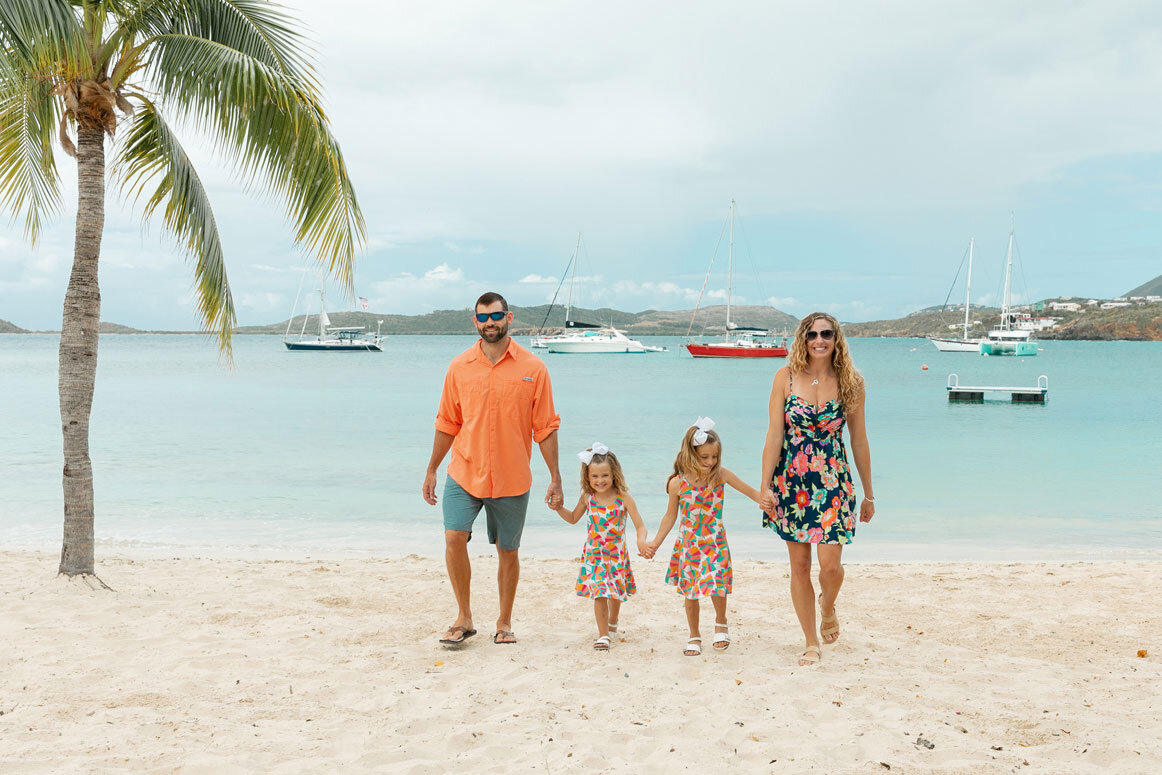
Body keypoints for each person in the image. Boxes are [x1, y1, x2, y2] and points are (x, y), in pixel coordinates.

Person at [422, 292, 563, 647]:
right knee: (454, 537)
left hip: (513, 475)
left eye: (496, 316)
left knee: (508, 551)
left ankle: (504, 622)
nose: (490, 324)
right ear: (475, 322)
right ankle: (464, 617)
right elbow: (447, 422)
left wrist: (555, 477)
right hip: (464, 470)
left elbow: (544, 427)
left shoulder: (534, 368)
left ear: (509, 318)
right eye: (483, 318)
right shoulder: (459, 367)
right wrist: (431, 469)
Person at [759, 312, 875, 666]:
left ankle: (828, 605)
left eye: (826, 333)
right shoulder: (785, 377)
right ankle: (811, 641)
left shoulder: (852, 381)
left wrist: (868, 494)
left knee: (830, 566)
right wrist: (763, 487)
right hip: (791, 482)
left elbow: (858, 440)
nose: (818, 340)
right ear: (803, 339)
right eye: (812, 334)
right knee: (799, 566)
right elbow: (774, 435)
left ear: (836, 338)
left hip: (833, 482)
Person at [644, 418, 760, 656]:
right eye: (704, 457)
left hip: (715, 541)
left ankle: (721, 622)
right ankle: (694, 634)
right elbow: (669, 516)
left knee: (717, 582)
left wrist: (768, 503)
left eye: (714, 457)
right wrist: (655, 542)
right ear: (690, 453)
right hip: (689, 545)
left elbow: (751, 492)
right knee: (691, 592)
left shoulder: (721, 475)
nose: (710, 462)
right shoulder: (677, 483)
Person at [554, 443, 649, 651]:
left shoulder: (624, 498)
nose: (600, 481)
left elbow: (640, 526)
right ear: (588, 477)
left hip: (616, 555)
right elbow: (572, 518)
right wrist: (558, 508)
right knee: (600, 592)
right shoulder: (588, 498)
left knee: (615, 593)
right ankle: (603, 634)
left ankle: (613, 623)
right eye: (595, 476)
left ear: (614, 474)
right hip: (594, 555)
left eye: (605, 475)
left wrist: (641, 542)